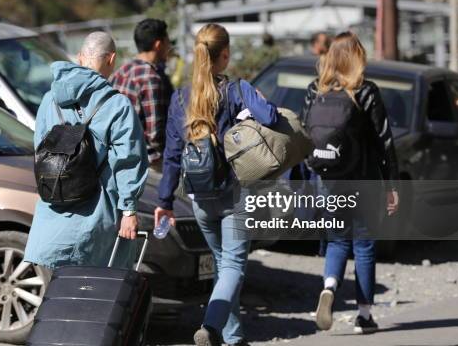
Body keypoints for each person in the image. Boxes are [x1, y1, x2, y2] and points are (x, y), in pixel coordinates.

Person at [154, 23, 279, 346]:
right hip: (231, 194)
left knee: (224, 267)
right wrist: (257, 100)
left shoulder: (181, 98)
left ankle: (234, 338)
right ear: (224, 55)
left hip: (198, 199)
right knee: (234, 266)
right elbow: (272, 118)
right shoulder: (236, 90)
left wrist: (164, 202)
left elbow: (171, 156)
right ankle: (210, 328)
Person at [24, 31, 148, 270]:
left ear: (80, 57)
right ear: (111, 59)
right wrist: (129, 210)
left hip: (52, 222)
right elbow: (128, 161)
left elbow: (40, 149)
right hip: (97, 223)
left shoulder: (49, 100)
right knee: (95, 300)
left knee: (58, 301)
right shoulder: (116, 104)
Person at [302, 32, 400, 334]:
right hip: (365, 181)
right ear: (358, 57)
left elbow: (306, 136)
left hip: (329, 181)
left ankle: (330, 286)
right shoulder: (366, 91)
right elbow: (384, 140)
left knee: (337, 241)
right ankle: (364, 316)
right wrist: (392, 184)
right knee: (365, 245)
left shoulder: (314, 91)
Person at [111, 18, 173, 171]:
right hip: (148, 162)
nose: (169, 47)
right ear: (158, 45)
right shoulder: (150, 78)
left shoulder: (121, 72)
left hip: (119, 156)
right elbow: (155, 135)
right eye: (168, 42)